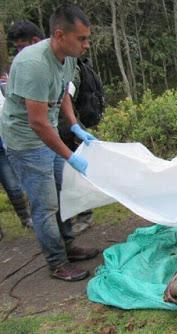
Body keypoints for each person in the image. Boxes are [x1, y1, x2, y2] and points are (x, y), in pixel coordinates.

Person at [0, 4, 99, 280]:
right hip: (27, 143)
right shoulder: (33, 64)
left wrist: (75, 126)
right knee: (45, 205)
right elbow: (38, 122)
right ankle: (57, 263)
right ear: (59, 34)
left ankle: (69, 245)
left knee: (64, 190)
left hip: (50, 134)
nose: (86, 44)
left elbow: (64, 93)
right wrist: (69, 154)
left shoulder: (67, 58)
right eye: (81, 38)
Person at [0, 21, 46, 239]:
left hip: (11, 141)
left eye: (22, 46)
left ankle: (27, 218)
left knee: (15, 187)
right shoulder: (23, 66)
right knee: (45, 203)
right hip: (21, 141)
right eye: (16, 48)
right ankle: (57, 258)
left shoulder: (38, 65)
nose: (19, 52)